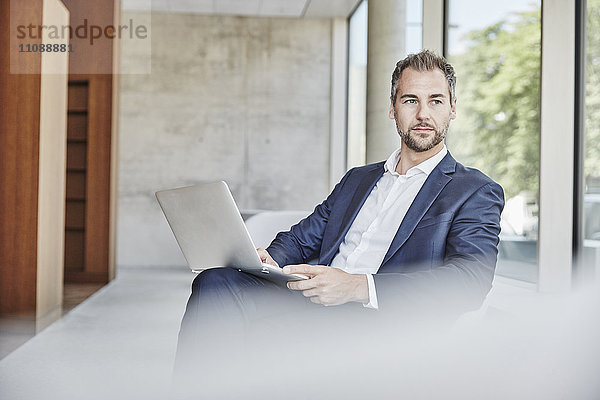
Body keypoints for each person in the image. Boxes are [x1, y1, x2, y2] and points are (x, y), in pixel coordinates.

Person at [173, 50, 504, 381]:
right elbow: (305, 236)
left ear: (452, 109)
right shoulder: (358, 179)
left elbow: (469, 281)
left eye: (435, 101)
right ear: (392, 108)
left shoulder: (473, 190)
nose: (422, 113)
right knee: (215, 282)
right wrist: (268, 259)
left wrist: (358, 287)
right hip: (314, 300)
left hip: (379, 319)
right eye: (410, 101)